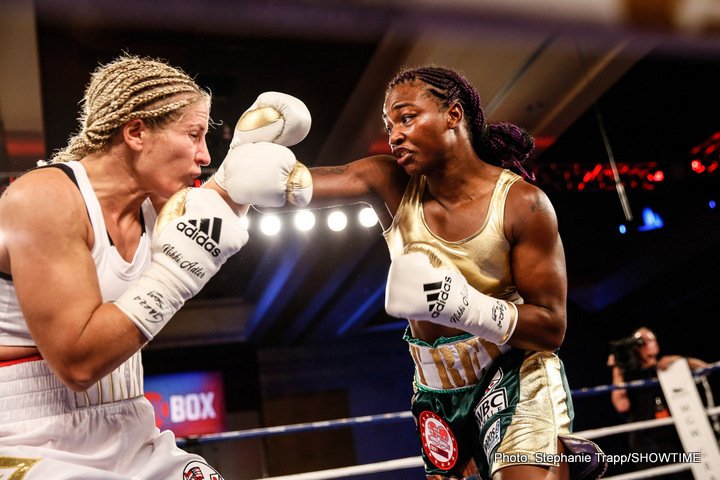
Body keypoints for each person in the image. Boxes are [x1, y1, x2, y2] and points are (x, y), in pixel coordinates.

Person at [0, 54, 311, 479]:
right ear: (136, 132)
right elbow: (77, 363)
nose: (204, 155)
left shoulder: (158, 203)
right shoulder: (44, 199)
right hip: (28, 440)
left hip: (132, 427)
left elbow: (231, 202)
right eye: (194, 134)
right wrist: (177, 272)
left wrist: (243, 170)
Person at [301, 66, 606, 479]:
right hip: (436, 389)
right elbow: (296, 186)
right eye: (390, 125)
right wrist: (246, 172)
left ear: (454, 114)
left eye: (407, 117)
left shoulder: (522, 203)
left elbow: (551, 328)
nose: (395, 135)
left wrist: (464, 306)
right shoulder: (389, 182)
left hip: (513, 372)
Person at [608, 326, 710, 478]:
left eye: (648, 340)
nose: (645, 344)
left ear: (656, 343)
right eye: (640, 342)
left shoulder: (671, 367)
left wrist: (679, 360)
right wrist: (616, 369)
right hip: (645, 445)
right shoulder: (630, 376)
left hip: (679, 439)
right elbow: (621, 405)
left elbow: (705, 369)